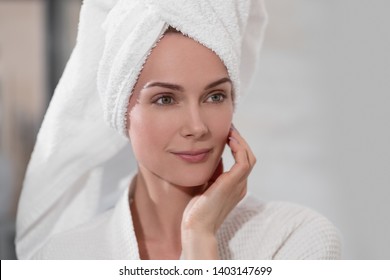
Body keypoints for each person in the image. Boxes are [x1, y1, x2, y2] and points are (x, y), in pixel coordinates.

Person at [15, 0, 341, 259]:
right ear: (121, 109)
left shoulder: (294, 240)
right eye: (165, 99)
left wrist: (199, 236)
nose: (197, 127)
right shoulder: (65, 259)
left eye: (215, 96)